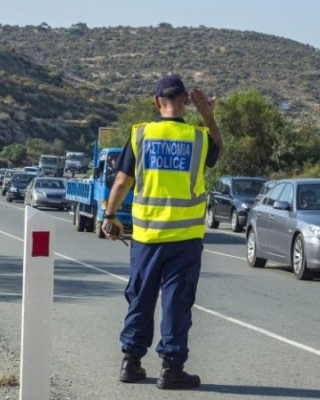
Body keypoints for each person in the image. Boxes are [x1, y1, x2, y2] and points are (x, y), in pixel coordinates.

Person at [101, 74, 222, 390]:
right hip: (185, 240)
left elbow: (121, 181)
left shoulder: (141, 135)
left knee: (140, 297)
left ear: (157, 102)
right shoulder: (198, 137)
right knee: (176, 302)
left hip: (146, 238)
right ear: (185, 101)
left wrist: (110, 216)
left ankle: (131, 362)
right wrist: (208, 116)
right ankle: (172, 368)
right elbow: (217, 152)